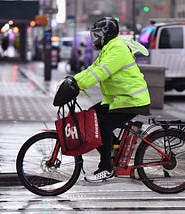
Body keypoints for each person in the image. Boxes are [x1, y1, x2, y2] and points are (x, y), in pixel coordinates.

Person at [73, 17, 151, 183]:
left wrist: (78, 85)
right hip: (119, 100)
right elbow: (92, 69)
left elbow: (100, 73)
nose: (95, 38)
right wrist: (73, 81)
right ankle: (115, 148)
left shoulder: (117, 50)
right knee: (91, 116)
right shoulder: (109, 48)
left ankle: (106, 168)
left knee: (101, 127)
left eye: (98, 34)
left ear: (107, 34)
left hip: (132, 100)